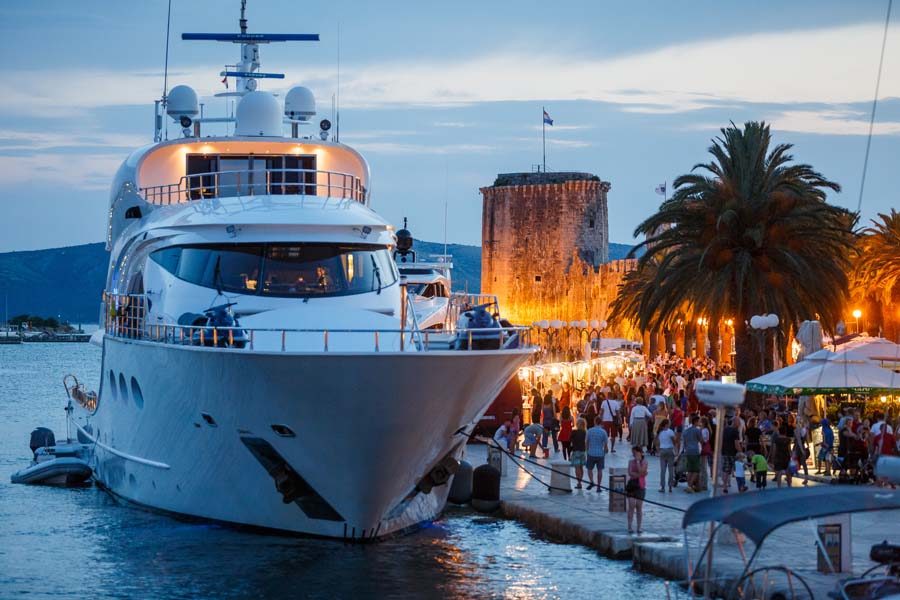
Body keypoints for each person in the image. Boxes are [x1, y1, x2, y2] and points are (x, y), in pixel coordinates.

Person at [627, 446, 649, 534]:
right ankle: (629, 526)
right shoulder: (630, 462)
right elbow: (630, 473)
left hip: (640, 486)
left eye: (635, 453)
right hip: (632, 485)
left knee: (639, 507)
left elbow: (641, 471)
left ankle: (639, 527)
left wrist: (638, 461)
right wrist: (640, 474)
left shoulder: (645, 462)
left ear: (640, 453)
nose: (634, 455)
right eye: (633, 453)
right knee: (631, 506)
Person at [585, 416, 609, 492]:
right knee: (600, 470)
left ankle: (591, 481)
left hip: (591, 453)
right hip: (600, 454)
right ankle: (599, 486)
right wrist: (606, 450)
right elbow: (605, 444)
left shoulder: (590, 430)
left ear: (595, 422)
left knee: (589, 469)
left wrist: (587, 450)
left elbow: (587, 442)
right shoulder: (603, 432)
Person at [682, 415, 703, 493]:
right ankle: (689, 485)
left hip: (688, 450)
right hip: (695, 451)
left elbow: (684, 442)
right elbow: (701, 440)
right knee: (696, 470)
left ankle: (689, 485)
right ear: (696, 422)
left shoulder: (686, 430)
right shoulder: (697, 430)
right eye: (699, 421)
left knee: (690, 470)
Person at [656, 418, 677, 493]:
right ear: (666, 425)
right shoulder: (670, 432)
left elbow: (657, 442)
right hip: (670, 450)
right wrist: (676, 449)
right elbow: (674, 441)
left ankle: (662, 487)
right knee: (671, 469)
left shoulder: (660, 432)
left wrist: (658, 450)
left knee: (663, 470)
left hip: (662, 450)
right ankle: (670, 486)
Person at [721, 417, 741, 494]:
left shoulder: (725, 430)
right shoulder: (735, 431)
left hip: (725, 452)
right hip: (733, 453)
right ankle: (741, 486)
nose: (739, 424)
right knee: (739, 470)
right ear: (734, 422)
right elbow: (736, 444)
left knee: (726, 470)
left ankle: (725, 487)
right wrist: (741, 452)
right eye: (738, 422)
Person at [570, 417, 588, 489]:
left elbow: (570, 440)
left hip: (576, 450)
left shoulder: (574, 432)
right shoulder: (585, 432)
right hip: (583, 451)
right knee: (581, 467)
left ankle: (579, 483)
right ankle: (580, 482)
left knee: (577, 467)